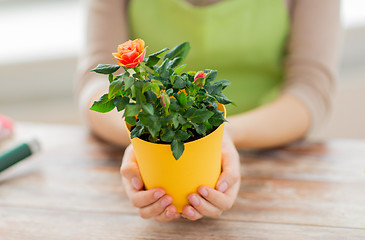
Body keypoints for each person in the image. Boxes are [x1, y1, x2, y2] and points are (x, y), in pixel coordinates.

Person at [76, 0, 341, 222]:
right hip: (148, 147)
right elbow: (95, 86)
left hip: (278, 163)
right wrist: (144, 141)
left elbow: (311, 91)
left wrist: (224, 135)